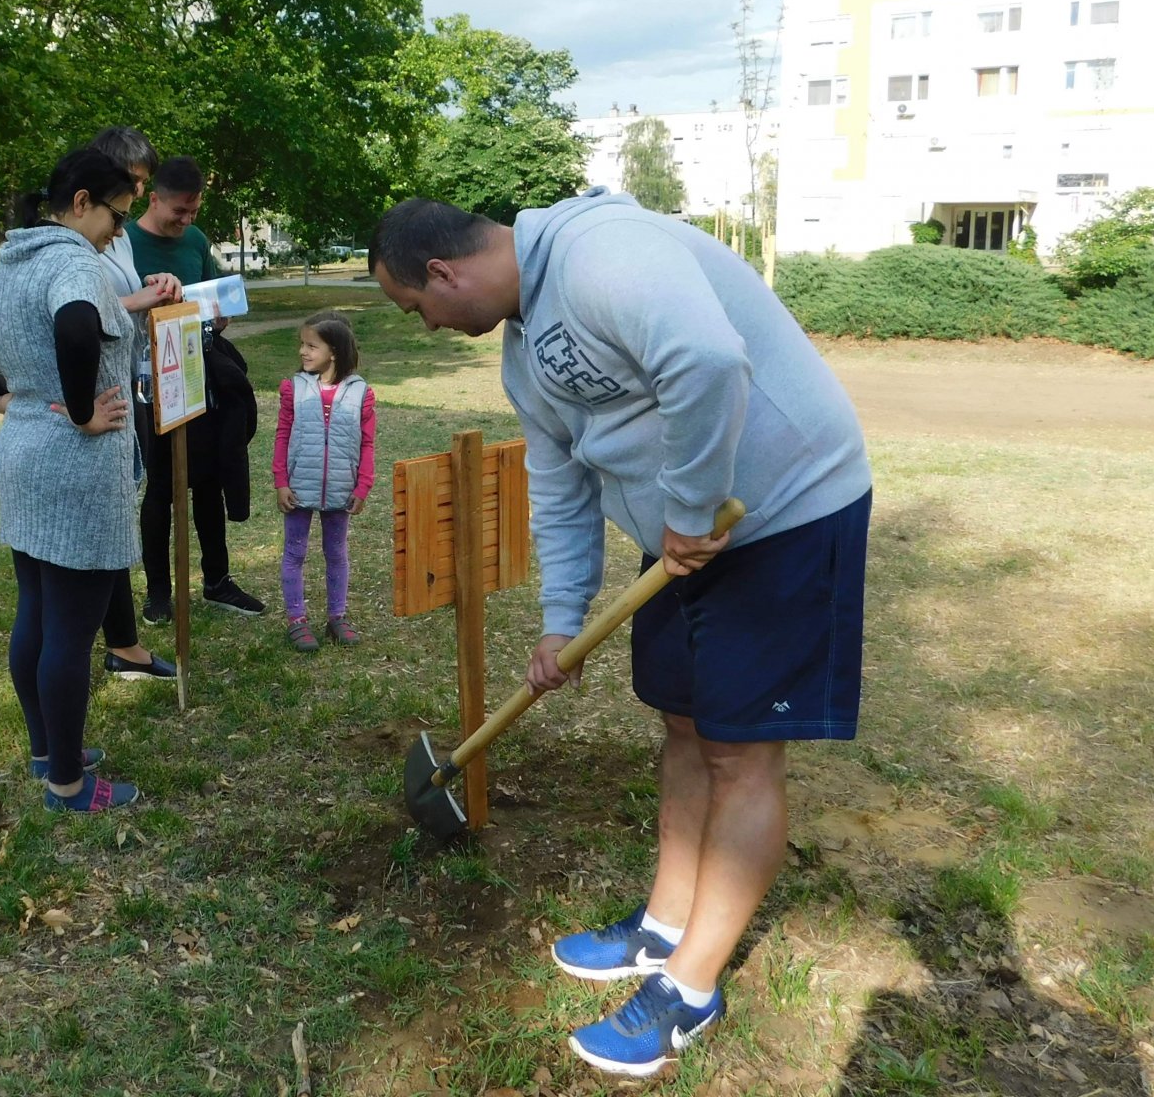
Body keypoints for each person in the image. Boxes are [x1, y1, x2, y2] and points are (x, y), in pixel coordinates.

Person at [368, 190, 872, 1078]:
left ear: (444, 272)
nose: (431, 326)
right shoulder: (525, 355)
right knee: (683, 724)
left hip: (785, 514)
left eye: (419, 307)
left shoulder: (603, 253)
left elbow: (711, 361)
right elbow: (560, 489)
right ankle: (663, 927)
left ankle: (692, 987)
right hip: (680, 545)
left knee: (741, 753)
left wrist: (684, 509)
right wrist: (563, 623)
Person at [0, 149, 149, 814]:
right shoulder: (73, 262)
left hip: (23, 450)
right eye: (117, 216)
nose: (119, 231)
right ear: (82, 201)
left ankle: (46, 752)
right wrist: (85, 410)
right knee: (68, 630)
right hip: (74, 467)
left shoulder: (11, 261)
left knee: (35, 609)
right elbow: (78, 325)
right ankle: (67, 785)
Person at [126, 156, 266, 620]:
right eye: (178, 212)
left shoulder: (197, 240)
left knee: (207, 480)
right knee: (162, 487)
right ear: (153, 198)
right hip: (148, 381)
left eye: (194, 212)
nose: (186, 222)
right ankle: (159, 593)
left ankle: (217, 581)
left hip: (195, 370)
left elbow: (207, 297)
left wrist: (218, 316)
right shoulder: (124, 242)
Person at [84, 124, 185, 681]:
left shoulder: (115, 234)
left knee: (117, 519)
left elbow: (113, 302)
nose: (140, 198)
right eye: (135, 182)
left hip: (122, 389)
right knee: (96, 534)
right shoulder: (72, 235)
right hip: (92, 403)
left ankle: (123, 644)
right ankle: (104, 646)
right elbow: (76, 313)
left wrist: (150, 290)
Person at [271, 310, 377, 653]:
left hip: (340, 490)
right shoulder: (293, 388)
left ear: (333, 351)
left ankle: (337, 616)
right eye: (301, 344)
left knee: (336, 552)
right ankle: (297, 620)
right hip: (299, 487)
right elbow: (283, 434)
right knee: (294, 553)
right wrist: (281, 481)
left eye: (311, 346)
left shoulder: (362, 393)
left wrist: (363, 486)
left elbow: (367, 442)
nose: (303, 351)